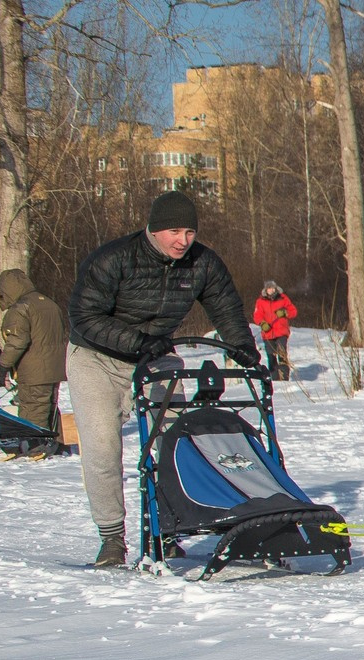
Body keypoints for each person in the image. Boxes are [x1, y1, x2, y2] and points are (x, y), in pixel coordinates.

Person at [69, 190, 259, 567]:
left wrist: (243, 348)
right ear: (154, 230)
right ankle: (111, 538)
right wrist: (138, 342)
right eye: (174, 231)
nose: (182, 241)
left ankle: (170, 527)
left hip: (156, 356)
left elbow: (225, 305)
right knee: (103, 448)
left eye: (189, 232)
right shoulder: (113, 259)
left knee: (173, 442)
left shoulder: (203, 262)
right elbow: (84, 316)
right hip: (96, 359)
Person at [0, 269, 66, 458]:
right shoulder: (49, 303)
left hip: (34, 368)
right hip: (55, 366)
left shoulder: (20, 308)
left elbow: (16, 341)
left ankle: (36, 446)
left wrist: (3, 367)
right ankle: (57, 442)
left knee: (33, 406)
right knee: (49, 405)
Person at [251, 280, 297, 381]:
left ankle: (284, 379)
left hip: (281, 332)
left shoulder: (283, 298)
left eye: (272, 288)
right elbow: (257, 315)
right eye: (268, 288)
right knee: (271, 357)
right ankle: (275, 379)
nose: (270, 290)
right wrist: (262, 323)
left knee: (282, 355)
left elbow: (293, 311)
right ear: (265, 290)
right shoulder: (260, 301)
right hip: (267, 333)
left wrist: (285, 312)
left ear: (275, 288)